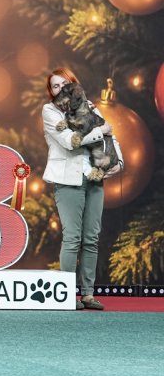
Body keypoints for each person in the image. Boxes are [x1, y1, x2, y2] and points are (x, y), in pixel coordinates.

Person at [42, 67, 123, 311]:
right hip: (68, 180)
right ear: (51, 91)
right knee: (72, 238)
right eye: (55, 86)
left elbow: (110, 137)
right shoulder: (50, 111)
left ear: (73, 85)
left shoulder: (90, 106)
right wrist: (99, 130)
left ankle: (88, 294)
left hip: (94, 179)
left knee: (91, 239)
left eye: (64, 84)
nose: (60, 89)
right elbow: (69, 142)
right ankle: (66, 295)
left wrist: (118, 161)